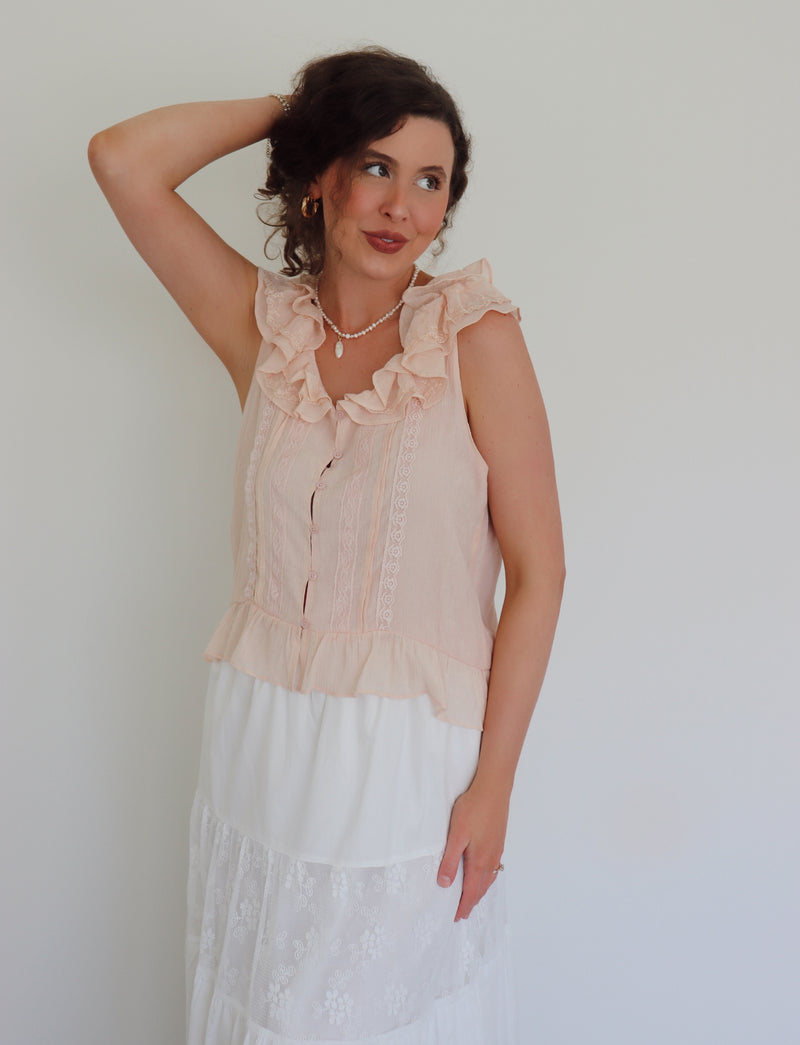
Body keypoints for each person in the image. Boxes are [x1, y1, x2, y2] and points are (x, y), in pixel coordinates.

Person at [89, 46, 565, 1044]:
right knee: (257, 1007)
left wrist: (494, 786)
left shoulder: (474, 336)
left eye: (429, 179)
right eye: (374, 164)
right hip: (257, 736)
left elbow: (537, 573)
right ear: (323, 181)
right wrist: (308, 109)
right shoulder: (263, 330)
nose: (402, 204)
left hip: (402, 766)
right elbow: (123, 160)